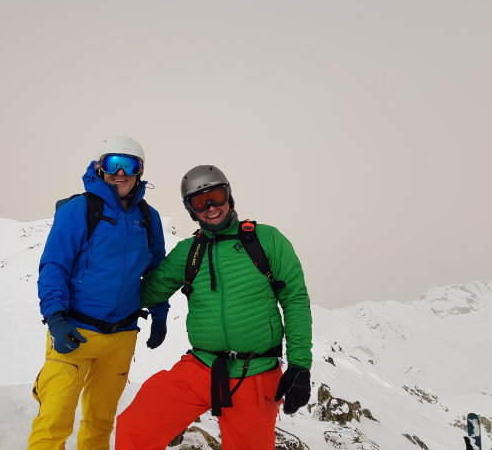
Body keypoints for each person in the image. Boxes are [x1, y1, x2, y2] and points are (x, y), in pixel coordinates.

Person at [116, 165, 312, 450]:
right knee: (135, 427)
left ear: (228, 195)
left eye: (216, 196)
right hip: (201, 366)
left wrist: (300, 366)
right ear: (190, 210)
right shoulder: (189, 251)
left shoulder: (267, 240)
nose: (210, 207)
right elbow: (145, 293)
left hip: (255, 371)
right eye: (199, 202)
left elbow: (295, 300)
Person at [27, 136, 169, 450]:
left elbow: (156, 271)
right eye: (113, 164)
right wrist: (56, 319)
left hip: (122, 335)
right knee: (54, 420)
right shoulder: (79, 209)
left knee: (100, 422)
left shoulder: (148, 217)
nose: (120, 173)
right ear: (99, 167)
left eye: (129, 165)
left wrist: (159, 314)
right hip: (75, 331)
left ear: (140, 171)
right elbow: (54, 266)